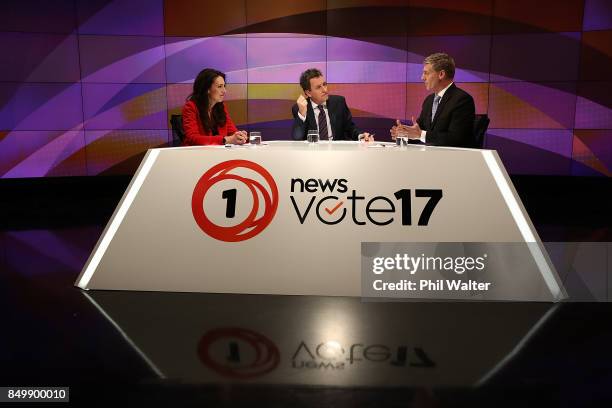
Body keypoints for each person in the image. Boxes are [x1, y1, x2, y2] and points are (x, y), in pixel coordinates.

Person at [391, 53, 475, 147]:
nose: (422, 78)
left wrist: (419, 134)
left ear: (441, 74)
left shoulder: (462, 100)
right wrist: (405, 134)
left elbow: (456, 139)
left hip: (451, 159)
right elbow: (420, 133)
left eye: (426, 73)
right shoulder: (429, 100)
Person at [291, 68, 374, 142]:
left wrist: (361, 136)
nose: (325, 90)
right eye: (318, 87)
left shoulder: (338, 102)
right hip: (313, 154)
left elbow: (350, 128)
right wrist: (302, 114)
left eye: (324, 84)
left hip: (337, 153)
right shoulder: (300, 108)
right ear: (308, 93)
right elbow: (297, 138)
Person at [182, 68, 247, 146]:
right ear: (207, 89)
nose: (224, 91)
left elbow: (232, 132)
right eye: (220, 87)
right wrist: (226, 140)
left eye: (224, 86)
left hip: (218, 154)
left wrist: (239, 137)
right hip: (196, 155)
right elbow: (193, 138)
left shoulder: (220, 106)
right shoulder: (191, 107)